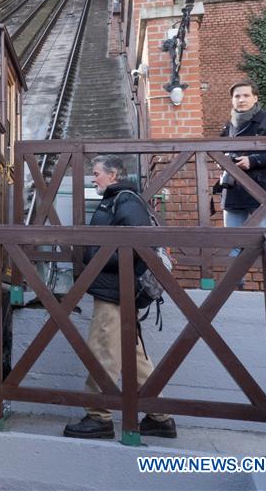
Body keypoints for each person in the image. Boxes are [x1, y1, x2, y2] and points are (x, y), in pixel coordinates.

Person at [63, 155, 177, 440]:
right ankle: (160, 417)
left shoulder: (125, 200)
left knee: (102, 350)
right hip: (117, 289)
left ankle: (98, 416)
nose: (93, 178)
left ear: (113, 175)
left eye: (97, 173)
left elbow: (137, 245)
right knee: (133, 356)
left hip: (114, 291)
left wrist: (97, 258)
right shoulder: (119, 199)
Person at [218, 81, 266, 230]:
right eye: (237, 96)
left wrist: (253, 161)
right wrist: (222, 161)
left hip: (262, 190)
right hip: (234, 190)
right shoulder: (228, 126)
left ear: (255, 98)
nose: (241, 99)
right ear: (232, 100)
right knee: (234, 242)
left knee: (264, 239)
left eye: (246, 95)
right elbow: (218, 153)